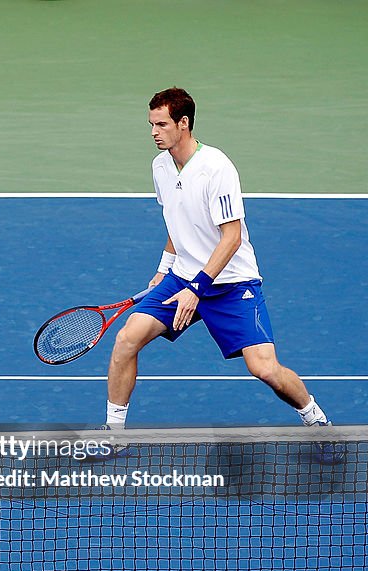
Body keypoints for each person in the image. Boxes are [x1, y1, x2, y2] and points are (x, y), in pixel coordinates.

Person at [104, 87, 332, 431]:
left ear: (184, 123)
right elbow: (177, 222)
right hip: (182, 278)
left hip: (230, 283)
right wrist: (163, 270)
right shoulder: (160, 166)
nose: (154, 132)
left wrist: (197, 288)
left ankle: (315, 419)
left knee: (265, 369)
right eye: (151, 125)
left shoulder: (216, 168)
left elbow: (232, 237)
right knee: (126, 340)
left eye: (161, 125)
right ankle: (113, 434)